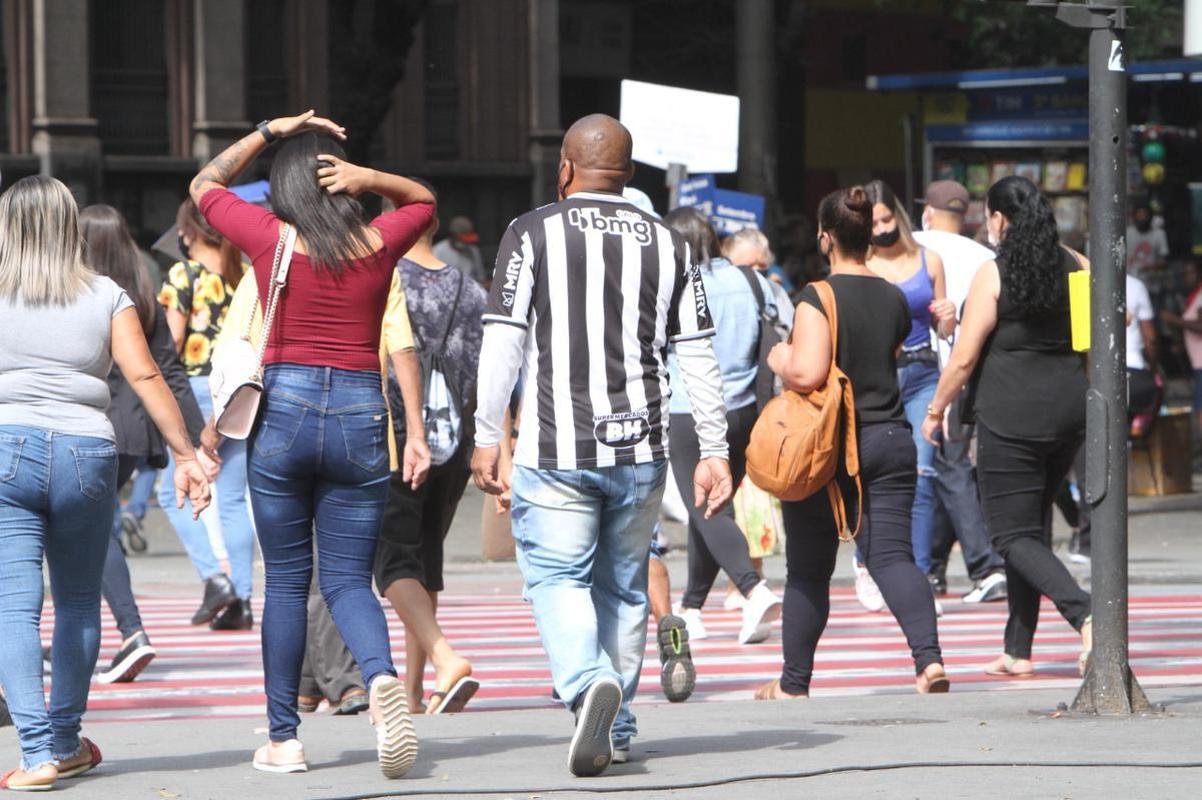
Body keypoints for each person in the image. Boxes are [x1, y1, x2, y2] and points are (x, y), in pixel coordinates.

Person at [470, 114, 733, 776]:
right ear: (629, 174)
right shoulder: (671, 243)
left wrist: (487, 432)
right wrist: (714, 449)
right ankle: (617, 727)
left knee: (557, 578)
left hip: (555, 449)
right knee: (624, 588)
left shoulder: (531, 232)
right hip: (641, 449)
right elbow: (698, 355)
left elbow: (502, 341)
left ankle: (590, 685)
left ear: (565, 169)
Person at [188, 109, 436, 777]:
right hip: (361, 409)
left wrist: (269, 132)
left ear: (286, 186)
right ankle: (381, 679)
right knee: (350, 579)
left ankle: (284, 739)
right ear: (342, 182)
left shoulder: (269, 238)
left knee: (287, 582)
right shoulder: (378, 243)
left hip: (285, 409)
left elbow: (205, 184)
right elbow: (424, 201)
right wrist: (370, 177)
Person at [0, 176, 210, 791]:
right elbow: (144, 376)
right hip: (87, 452)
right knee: (76, 601)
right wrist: (186, 453)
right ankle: (66, 741)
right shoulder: (105, 293)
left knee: (13, 606)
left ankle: (35, 752)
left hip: (7, 447)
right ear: (68, 226)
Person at [759, 185, 947, 701]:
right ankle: (929, 661)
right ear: (868, 236)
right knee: (893, 558)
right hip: (890, 437)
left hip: (829, 447)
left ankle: (793, 684)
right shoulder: (893, 296)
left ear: (825, 238)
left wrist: (779, 357)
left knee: (808, 571)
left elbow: (807, 371)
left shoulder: (817, 296)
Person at [922, 176, 1092, 679]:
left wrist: (935, 410)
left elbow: (964, 357)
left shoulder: (993, 274)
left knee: (1010, 535)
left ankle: (1087, 615)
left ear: (999, 218)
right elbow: (1087, 343)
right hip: (1068, 412)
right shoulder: (1079, 265)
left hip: (1010, 416)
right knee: (1030, 529)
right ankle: (1017, 648)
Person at [79, 205, 214, 685]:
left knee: (91, 534)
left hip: (91, 428)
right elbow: (169, 372)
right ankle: (87, 636)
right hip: (134, 433)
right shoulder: (143, 299)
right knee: (92, 532)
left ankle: (130, 631)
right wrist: (196, 440)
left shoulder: (80, 298)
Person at [375, 196, 488, 715]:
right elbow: (490, 373)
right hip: (454, 440)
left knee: (393, 561)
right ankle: (417, 690)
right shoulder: (472, 290)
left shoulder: (382, 279)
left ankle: (443, 663)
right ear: (435, 224)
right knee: (426, 562)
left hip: (397, 438)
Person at [662, 207, 782, 646]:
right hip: (746, 409)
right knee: (711, 507)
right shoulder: (751, 281)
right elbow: (782, 326)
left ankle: (753, 588)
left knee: (707, 508)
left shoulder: (673, 284)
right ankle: (692, 607)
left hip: (689, 409)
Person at [157, 198, 257, 631]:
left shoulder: (184, 274)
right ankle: (244, 600)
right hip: (238, 394)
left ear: (190, 232)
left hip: (194, 392)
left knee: (170, 492)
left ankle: (214, 578)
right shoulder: (244, 275)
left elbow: (172, 344)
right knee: (233, 499)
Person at [912, 180, 1009, 604]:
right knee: (947, 467)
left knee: (945, 469)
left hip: (924, 372)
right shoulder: (984, 256)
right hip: (969, 371)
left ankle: (985, 565)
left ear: (928, 213)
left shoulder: (913, 245)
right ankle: (935, 566)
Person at [863, 180, 956, 595]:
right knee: (873, 475)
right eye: (872, 223)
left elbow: (944, 328)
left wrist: (948, 316)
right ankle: (869, 559)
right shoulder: (862, 264)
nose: (881, 229)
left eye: (886, 219)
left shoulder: (928, 259)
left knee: (922, 474)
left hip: (923, 372)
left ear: (898, 216)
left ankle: (918, 576)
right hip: (877, 375)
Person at [1161, 260, 1202, 447]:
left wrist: (1174, 320)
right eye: (1184, 273)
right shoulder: (1193, 297)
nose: (1186, 277)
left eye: (1190, 272)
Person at [432, 215, 487, 284]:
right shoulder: (437, 251)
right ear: (453, 234)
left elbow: (481, 278)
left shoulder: (473, 250)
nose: (463, 241)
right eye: (462, 236)